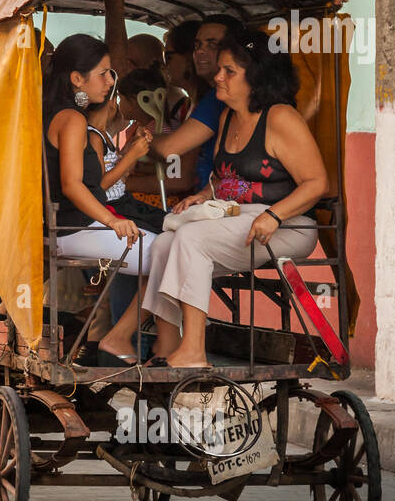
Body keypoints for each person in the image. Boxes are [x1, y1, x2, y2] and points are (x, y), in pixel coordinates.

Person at [134, 29, 326, 367]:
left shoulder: (280, 118)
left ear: (256, 78)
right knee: (164, 243)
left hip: (287, 226)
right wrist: (202, 195)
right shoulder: (227, 117)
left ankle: (194, 351)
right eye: (220, 69)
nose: (218, 77)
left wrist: (274, 216)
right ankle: (167, 346)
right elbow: (225, 179)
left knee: (191, 238)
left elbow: (316, 183)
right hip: (238, 218)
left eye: (229, 72)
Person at [44, 34, 157, 271]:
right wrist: (112, 220)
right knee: (170, 255)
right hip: (74, 229)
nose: (110, 81)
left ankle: (128, 311)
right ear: (77, 78)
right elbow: (71, 185)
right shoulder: (72, 119)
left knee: (170, 250)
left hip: (68, 228)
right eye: (103, 73)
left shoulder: (57, 113)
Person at [150, 14, 245, 197]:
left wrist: (142, 138)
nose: (200, 52)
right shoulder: (209, 97)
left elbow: (170, 150)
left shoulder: (220, 99)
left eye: (212, 45)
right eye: (197, 45)